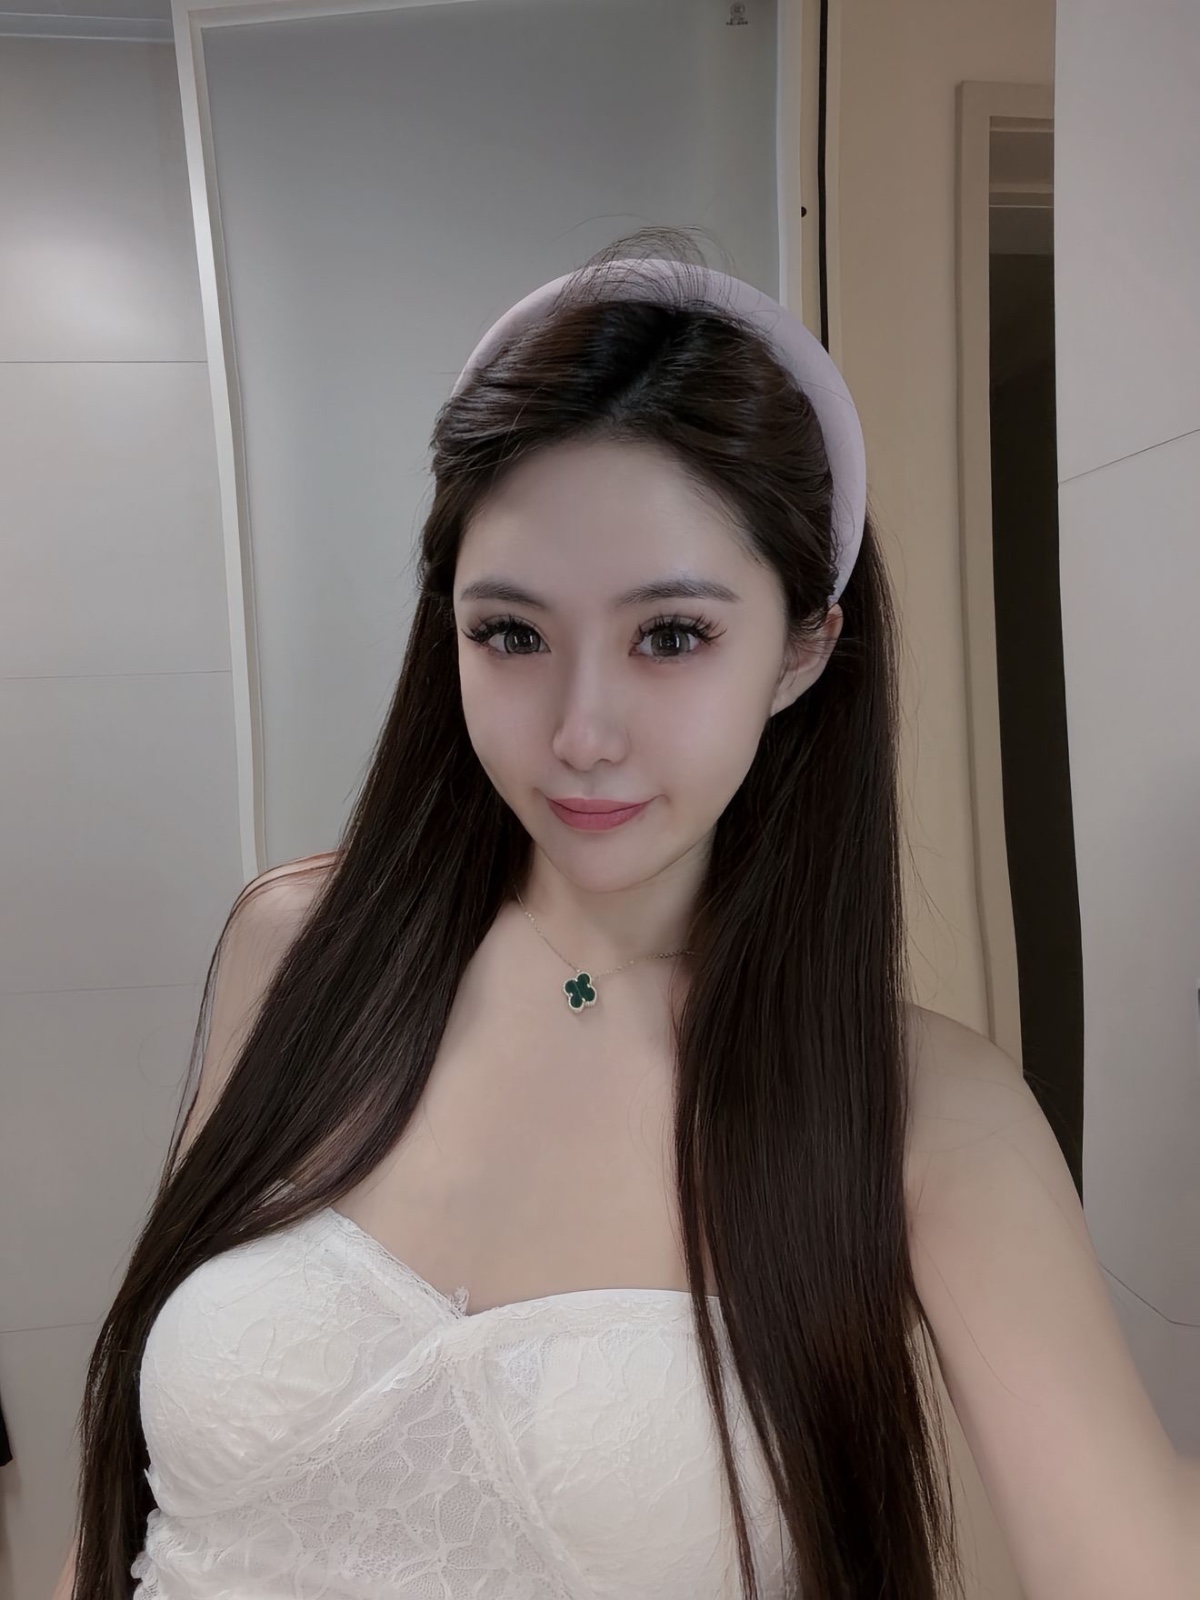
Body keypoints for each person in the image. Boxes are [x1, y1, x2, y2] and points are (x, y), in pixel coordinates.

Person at [57, 227, 1193, 1600]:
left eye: (671, 636)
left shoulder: (914, 1109)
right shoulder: (297, 946)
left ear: (804, 648)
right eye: (512, 634)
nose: (581, 734)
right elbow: (122, 1526)